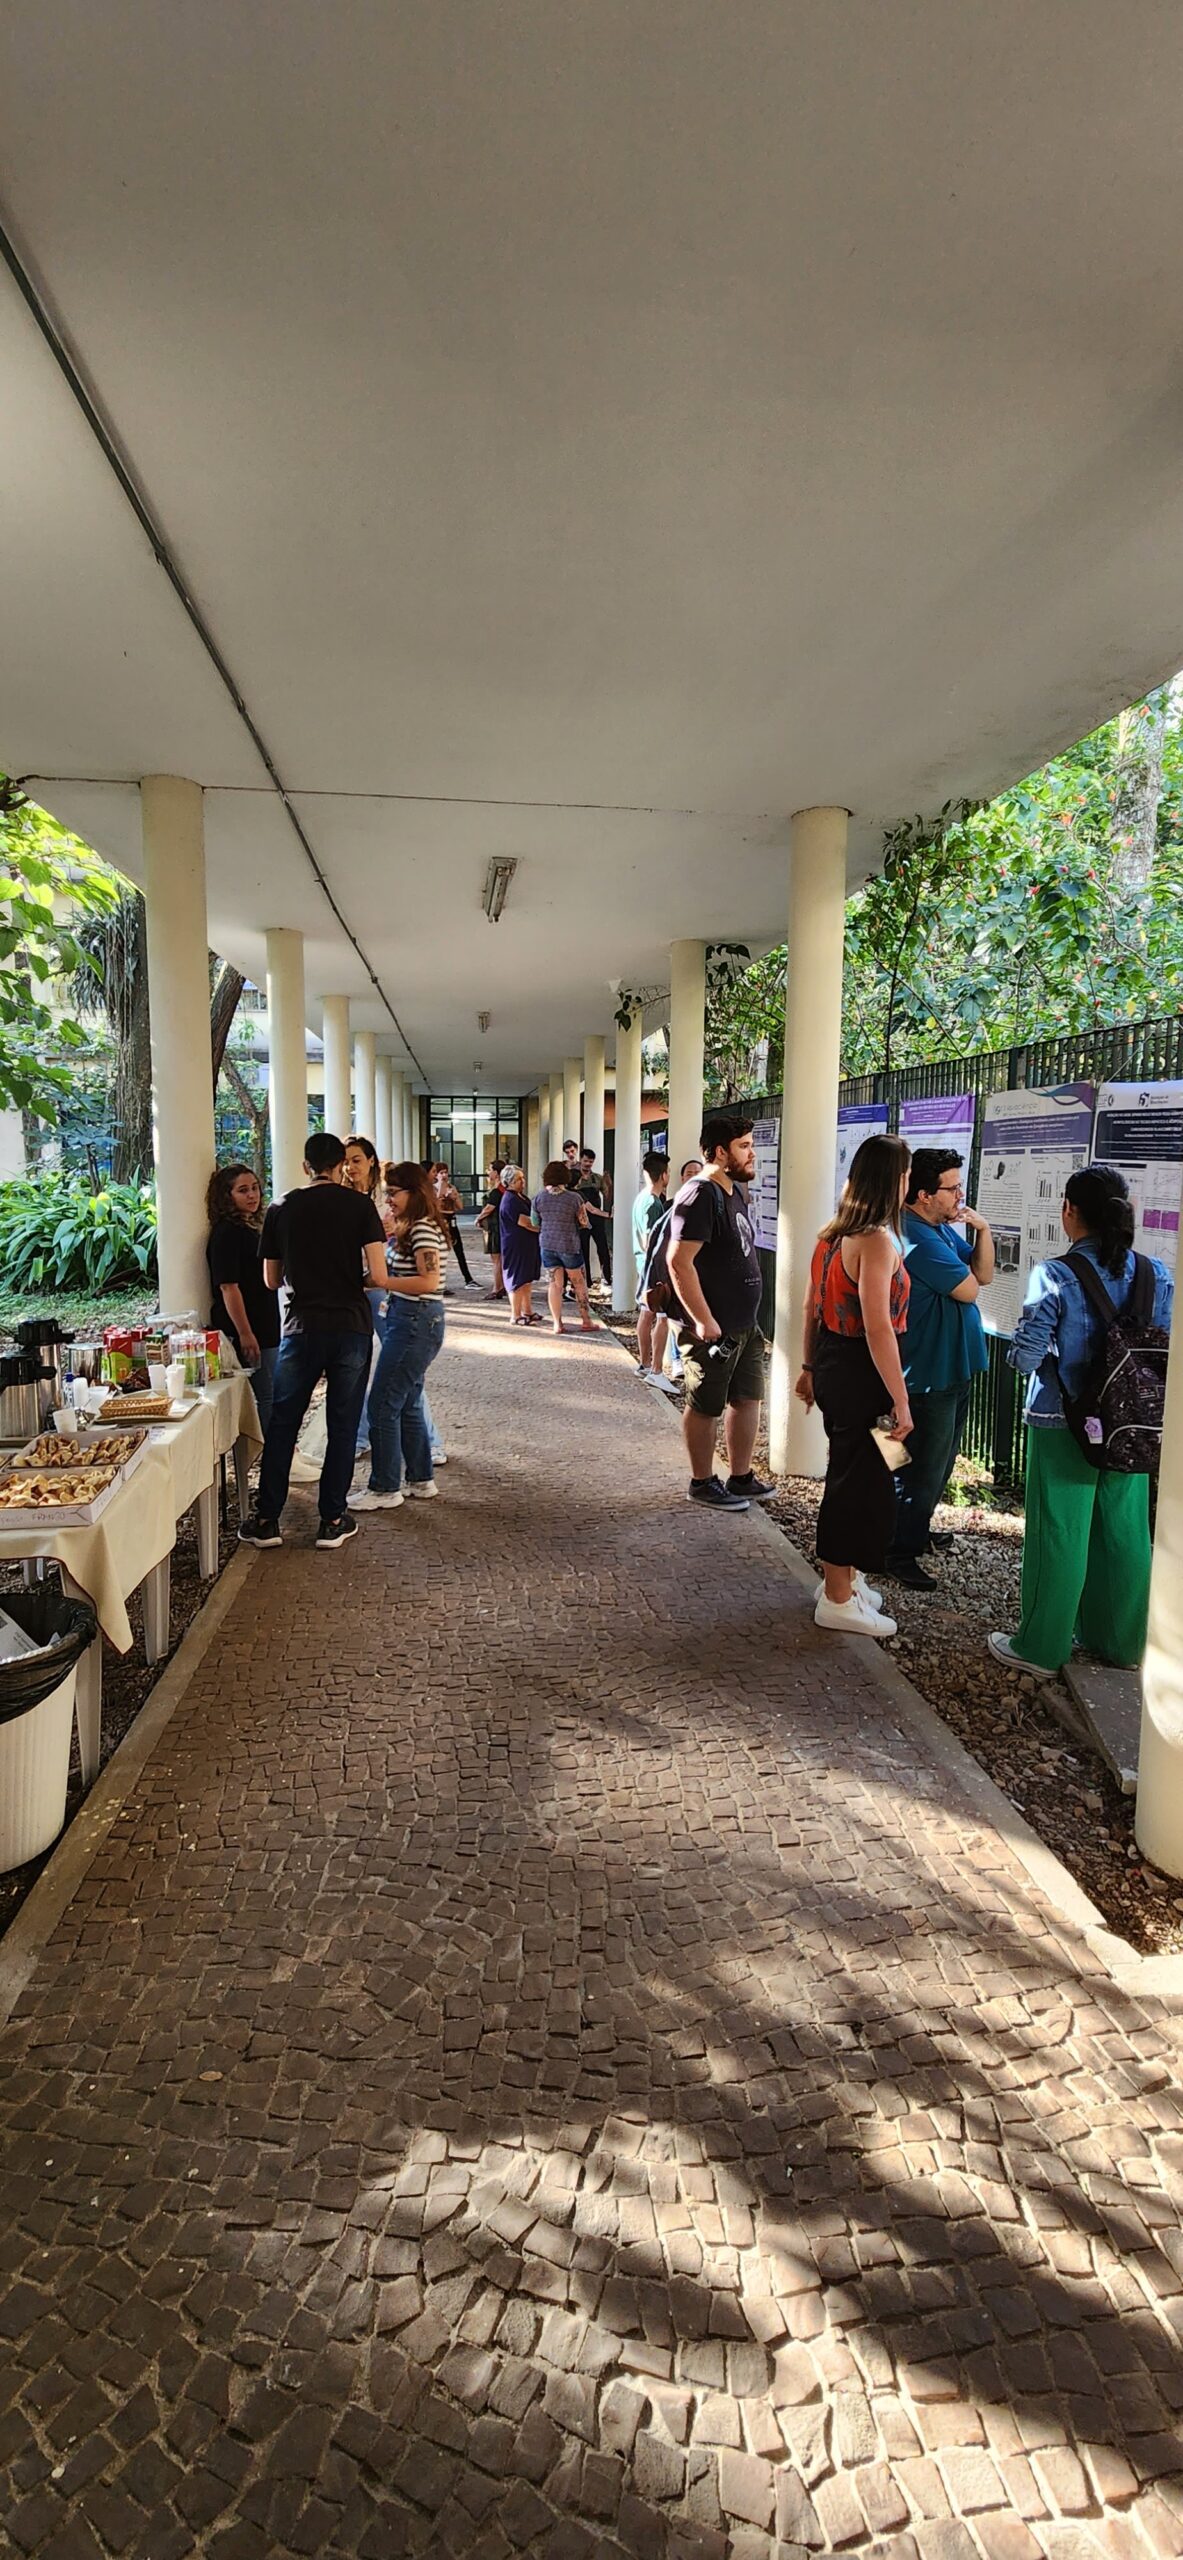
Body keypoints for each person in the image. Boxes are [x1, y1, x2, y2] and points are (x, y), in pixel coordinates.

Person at [990, 1163, 1173, 1678]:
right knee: (1125, 1531)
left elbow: (1027, 1356)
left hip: (1062, 1419)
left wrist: (1037, 1358)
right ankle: (1121, 1642)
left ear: (1068, 1210)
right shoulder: (1156, 1274)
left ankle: (1041, 1647)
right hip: (1133, 1424)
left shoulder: (1055, 1275)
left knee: (1059, 1531)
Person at [239, 1131, 387, 1551]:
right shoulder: (360, 1206)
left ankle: (267, 1520)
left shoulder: (281, 1207)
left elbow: (271, 1280)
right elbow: (378, 1275)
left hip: (301, 1327)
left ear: (306, 1166)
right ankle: (332, 1520)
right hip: (350, 1326)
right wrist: (349, 1279)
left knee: (284, 1422)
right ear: (341, 1165)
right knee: (343, 1423)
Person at [795, 1133, 912, 1636]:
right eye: (906, 1175)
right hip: (865, 1374)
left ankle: (846, 1579)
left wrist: (809, 1367)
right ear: (894, 1181)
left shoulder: (831, 1234)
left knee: (862, 1473)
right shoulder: (876, 1241)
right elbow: (878, 1326)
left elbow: (811, 1307)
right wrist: (901, 1400)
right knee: (857, 1482)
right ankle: (837, 1598)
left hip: (835, 1364)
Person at [886, 1148, 993, 1589]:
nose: (960, 1195)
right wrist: (972, 1264)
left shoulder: (939, 1230)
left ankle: (914, 1529)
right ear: (924, 1195)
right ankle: (898, 1550)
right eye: (952, 1188)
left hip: (951, 1369)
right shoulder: (916, 1238)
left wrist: (983, 1229)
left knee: (940, 1461)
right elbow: (970, 1290)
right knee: (919, 1467)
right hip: (926, 1375)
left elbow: (984, 1273)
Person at [666, 1113, 772, 1510]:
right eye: (744, 1146)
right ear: (720, 1152)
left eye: (751, 1145)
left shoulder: (733, 1191)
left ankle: (740, 1477)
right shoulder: (700, 1194)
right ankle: (702, 1482)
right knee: (705, 1403)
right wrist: (703, 1319)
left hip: (744, 1325)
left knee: (747, 1398)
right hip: (712, 1330)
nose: (752, 1153)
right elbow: (679, 1261)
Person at [354, 1162, 449, 1510]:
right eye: (387, 1192)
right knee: (407, 1401)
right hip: (409, 1318)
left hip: (414, 1320)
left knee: (382, 1404)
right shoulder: (412, 1226)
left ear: (414, 1192)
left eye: (394, 1192)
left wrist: (383, 1281)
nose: (389, 1199)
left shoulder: (422, 1228)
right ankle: (420, 1479)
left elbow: (429, 1282)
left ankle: (384, 1487)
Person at [206, 1163, 281, 1435]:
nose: (252, 1195)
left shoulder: (251, 1227)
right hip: (249, 1327)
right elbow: (229, 1287)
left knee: (272, 1392)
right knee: (267, 1395)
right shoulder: (226, 1233)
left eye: (255, 1188)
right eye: (243, 1190)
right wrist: (245, 1333)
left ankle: (277, 1448)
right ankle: (272, 1451)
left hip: (266, 1322)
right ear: (227, 1196)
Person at [631, 1152, 677, 1394]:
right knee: (662, 1317)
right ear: (664, 1175)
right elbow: (652, 1240)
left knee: (646, 1313)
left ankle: (645, 1363)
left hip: (643, 1264)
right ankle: (656, 1369)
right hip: (655, 1267)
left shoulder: (641, 1198)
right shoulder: (653, 1203)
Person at [530, 1161, 594, 1334]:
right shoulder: (574, 1198)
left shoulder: (538, 1198)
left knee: (554, 1284)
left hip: (547, 1244)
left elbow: (535, 1222)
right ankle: (586, 1321)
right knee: (578, 1282)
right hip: (569, 1244)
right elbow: (584, 1222)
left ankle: (557, 1323)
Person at [499, 1165, 542, 1322]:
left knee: (526, 1279)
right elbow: (526, 1223)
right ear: (510, 1182)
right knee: (516, 1279)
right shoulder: (510, 1200)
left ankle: (528, 1311)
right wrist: (544, 1228)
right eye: (519, 1179)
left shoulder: (520, 1197)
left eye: (523, 1178)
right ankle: (516, 1315)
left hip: (527, 1244)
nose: (523, 1181)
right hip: (516, 1245)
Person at [432, 1161, 475, 1287]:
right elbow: (435, 1205)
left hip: (452, 1219)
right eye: (441, 1173)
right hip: (441, 1219)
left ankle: (468, 1279)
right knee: (440, 1251)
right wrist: (442, 1189)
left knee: (459, 1250)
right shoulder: (433, 1188)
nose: (444, 1175)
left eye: (446, 1172)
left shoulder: (452, 1187)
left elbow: (460, 1206)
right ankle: (439, 1282)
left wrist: (454, 1197)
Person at [577, 1147, 613, 1288]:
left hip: (597, 1219)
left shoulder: (597, 1178)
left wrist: (609, 1184)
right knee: (583, 1249)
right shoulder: (575, 1178)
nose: (588, 1164)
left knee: (603, 1248)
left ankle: (608, 1277)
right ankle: (587, 1280)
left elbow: (607, 1195)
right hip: (581, 1218)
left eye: (590, 1162)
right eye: (586, 1161)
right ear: (581, 1160)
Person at [477, 1161, 507, 1297]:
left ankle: (497, 1288)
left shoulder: (497, 1191)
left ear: (496, 1172)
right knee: (499, 1259)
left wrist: (478, 1218)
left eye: (490, 1170)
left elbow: (490, 1207)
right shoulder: (501, 1188)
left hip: (494, 1228)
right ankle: (501, 1285)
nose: (488, 1172)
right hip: (497, 1226)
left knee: (496, 1259)